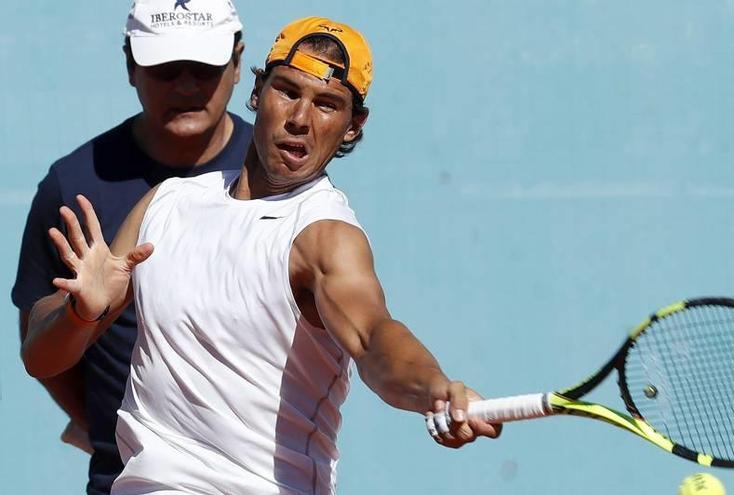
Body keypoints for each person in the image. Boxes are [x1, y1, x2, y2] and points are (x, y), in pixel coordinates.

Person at [22, 15, 501, 495]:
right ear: (256, 92)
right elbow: (43, 359)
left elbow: (377, 338)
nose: (300, 119)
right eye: (288, 91)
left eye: (328, 105)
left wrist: (435, 389)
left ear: (354, 126)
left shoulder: (325, 237)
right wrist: (80, 314)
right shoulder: (166, 203)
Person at [12, 0, 251, 493]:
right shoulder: (72, 185)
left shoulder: (282, 175)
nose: (185, 86)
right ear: (130, 65)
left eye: (204, 67)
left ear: (237, 63)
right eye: (165, 67)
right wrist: (114, 426)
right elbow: (39, 349)